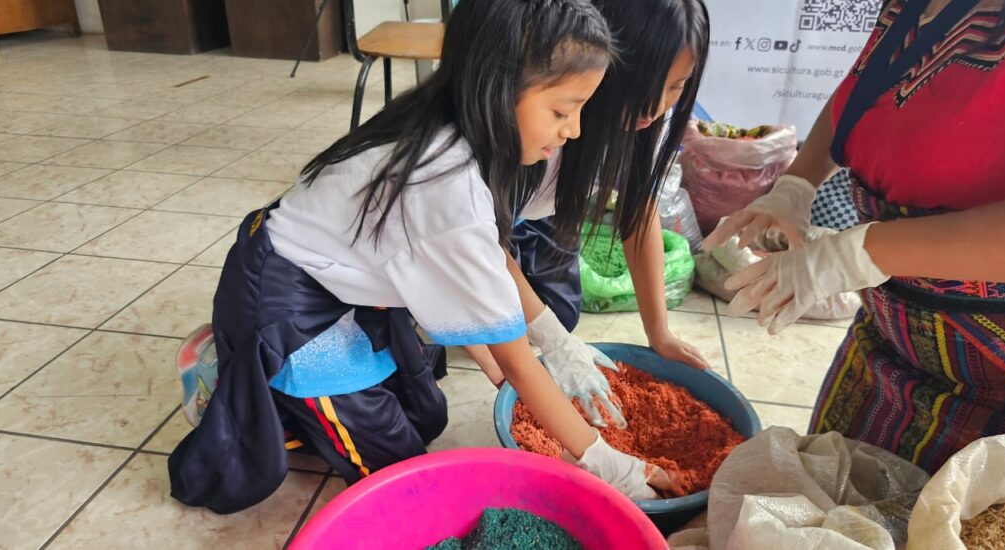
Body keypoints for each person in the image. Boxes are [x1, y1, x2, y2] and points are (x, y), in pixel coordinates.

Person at [168, 0, 673, 514]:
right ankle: (243, 383)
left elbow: (491, 294)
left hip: (351, 288)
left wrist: (553, 346)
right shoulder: (446, 185)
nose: (575, 130)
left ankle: (284, 398)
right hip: (286, 300)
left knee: (426, 415)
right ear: (498, 86)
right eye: (562, 111)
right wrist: (604, 461)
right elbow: (515, 360)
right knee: (394, 470)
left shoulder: (463, 125)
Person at [705, 0, 1005, 473]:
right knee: (825, 482)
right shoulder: (911, 7)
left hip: (993, 368)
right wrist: (796, 185)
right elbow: (864, 90)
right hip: (887, 331)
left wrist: (854, 254)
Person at [464, 0, 713, 404]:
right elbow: (478, 241)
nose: (655, 106)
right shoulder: (539, 122)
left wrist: (659, 332)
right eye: (643, 83)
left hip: (541, 209)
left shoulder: (643, 118)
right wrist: (525, 350)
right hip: (488, 214)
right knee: (503, 325)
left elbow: (638, 211)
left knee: (559, 314)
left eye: (676, 85)